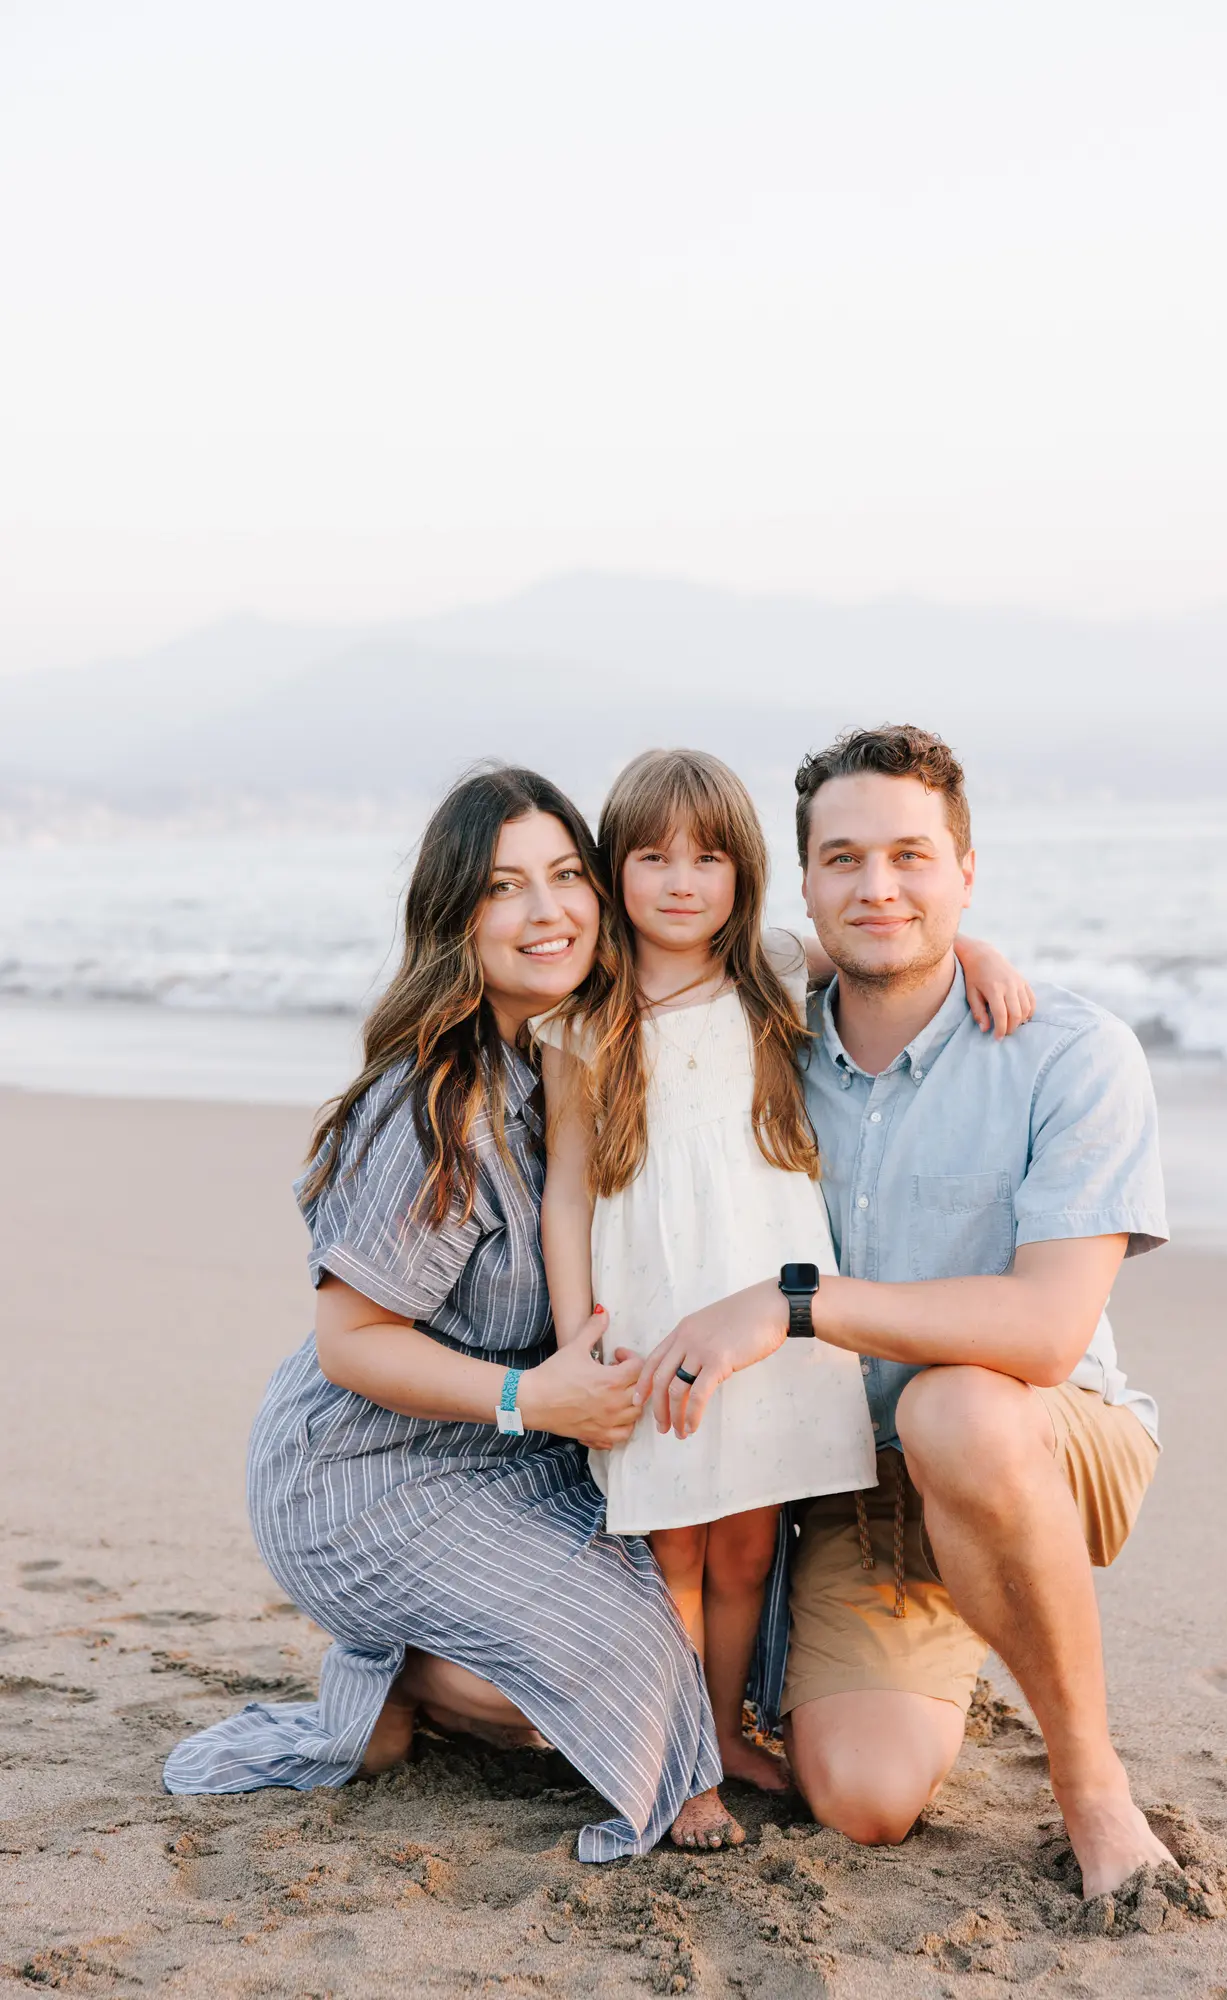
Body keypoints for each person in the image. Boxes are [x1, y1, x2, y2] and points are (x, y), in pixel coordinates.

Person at [635, 724, 1175, 1899]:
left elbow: (1043, 1331)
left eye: (910, 857)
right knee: (863, 1799)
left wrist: (799, 1303)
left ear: (963, 870)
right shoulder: (761, 1035)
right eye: (842, 860)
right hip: (853, 1475)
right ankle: (973, 1606)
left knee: (960, 1411)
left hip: (1038, 1425)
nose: (877, 887)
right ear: (806, 884)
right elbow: (666, 959)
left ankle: (1090, 1782)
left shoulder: (1066, 1053)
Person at [162, 765, 722, 1862]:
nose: (547, 909)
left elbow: (767, 972)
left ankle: (464, 1650)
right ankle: (387, 1676)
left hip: (522, 1451)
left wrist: (966, 958)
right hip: (371, 1467)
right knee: (581, 1684)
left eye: (566, 875)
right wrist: (529, 1394)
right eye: (506, 886)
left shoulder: (595, 1043)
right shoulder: (433, 1104)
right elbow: (350, 1337)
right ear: (456, 918)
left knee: (703, 1604)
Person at [539, 746, 1033, 1852]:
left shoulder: (768, 964)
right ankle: (674, 1765)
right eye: (652, 857)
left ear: (746, 870)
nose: (680, 881)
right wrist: (578, 1328)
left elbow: (898, 944)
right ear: (612, 870)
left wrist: (985, 952)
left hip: (772, 1312)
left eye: (708, 856)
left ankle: (719, 1732)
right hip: (654, 1305)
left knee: (748, 1550)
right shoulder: (587, 1013)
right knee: (672, 1548)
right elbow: (566, 1192)